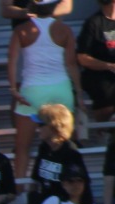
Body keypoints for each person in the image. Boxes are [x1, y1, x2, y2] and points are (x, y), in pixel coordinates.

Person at [9, 6, 82, 177]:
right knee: (65, 142)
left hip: (32, 90)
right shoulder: (64, 29)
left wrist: (13, 88)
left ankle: (19, 187)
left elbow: (12, 61)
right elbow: (71, 64)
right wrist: (78, 92)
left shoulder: (22, 29)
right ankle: (72, 179)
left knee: (22, 146)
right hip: (61, 88)